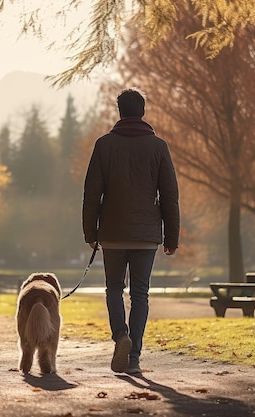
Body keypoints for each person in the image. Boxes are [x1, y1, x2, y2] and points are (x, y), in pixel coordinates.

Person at [82, 87, 180, 374]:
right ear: (143, 112)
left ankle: (120, 336)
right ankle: (134, 357)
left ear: (120, 111)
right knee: (140, 294)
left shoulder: (104, 145)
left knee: (114, 288)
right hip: (146, 233)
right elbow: (169, 196)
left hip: (112, 232)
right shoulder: (158, 147)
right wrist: (171, 237)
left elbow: (92, 194)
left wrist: (91, 233)